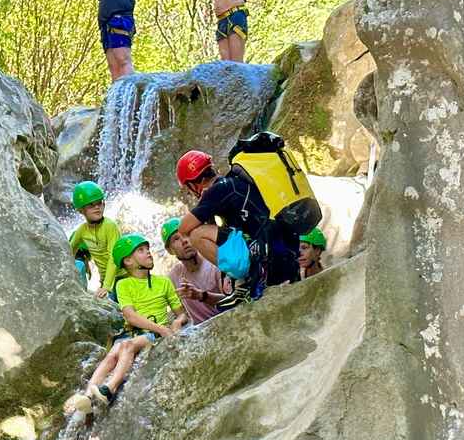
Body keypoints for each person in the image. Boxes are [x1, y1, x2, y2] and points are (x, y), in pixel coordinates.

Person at [65, 234, 185, 415]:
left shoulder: (163, 282)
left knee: (127, 344)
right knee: (113, 352)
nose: (149, 254)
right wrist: (162, 328)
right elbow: (130, 316)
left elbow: (181, 313)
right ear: (128, 261)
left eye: (148, 250)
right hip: (140, 333)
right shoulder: (123, 285)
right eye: (141, 251)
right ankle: (89, 396)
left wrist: (176, 322)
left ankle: (109, 389)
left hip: (153, 334)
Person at [173, 149, 300, 306]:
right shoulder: (233, 183)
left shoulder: (217, 191)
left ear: (193, 184)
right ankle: (244, 281)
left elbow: (184, 228)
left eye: (188, 189)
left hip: (267, 256)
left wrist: (203, 201)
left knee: (196, 235)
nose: (190, 194)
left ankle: (242, 281)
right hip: (282, 250)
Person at [162, 217, 228, 325]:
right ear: (170, 250)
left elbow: (232, 301)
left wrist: (201, 296)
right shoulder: (174, 275)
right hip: (200, 333)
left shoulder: (214, 261)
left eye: (187, 234)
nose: (184, 241)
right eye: (176, 239)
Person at [67, 181, 121, 298]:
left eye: (99, 203)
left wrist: (107, 286)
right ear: (81, 210)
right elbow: (69, 251)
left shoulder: (109, 226)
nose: (97, 207)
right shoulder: (82, 230)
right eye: (91, 205)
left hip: (122, 277)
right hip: (104, 280)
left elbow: (114, 257)